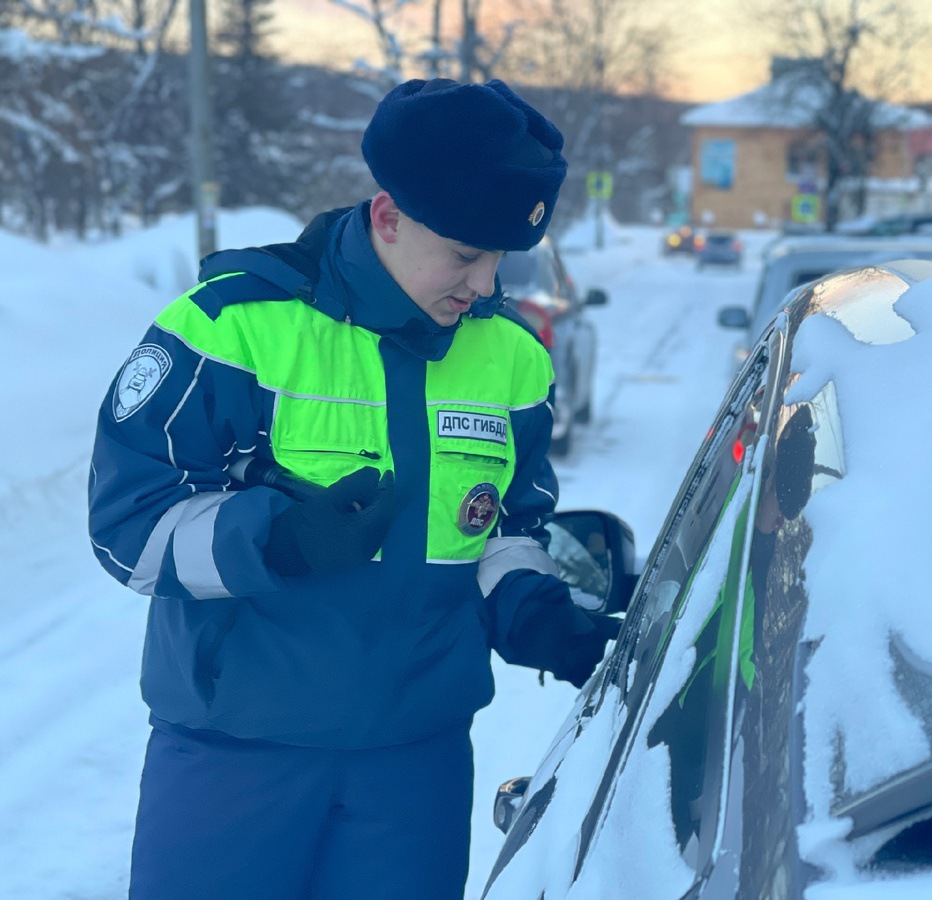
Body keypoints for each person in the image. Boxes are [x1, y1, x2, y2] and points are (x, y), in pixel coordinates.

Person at [88, 78, 619, 900]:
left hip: (416, 766)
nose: (483, 285)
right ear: (387, 217)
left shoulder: (512, 358)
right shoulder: (235, 326)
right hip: (235, 757)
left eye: (501, 261)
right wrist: (275, 537)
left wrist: (533, 610)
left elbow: (504, 528)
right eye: (465, 255)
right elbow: (126, 527)